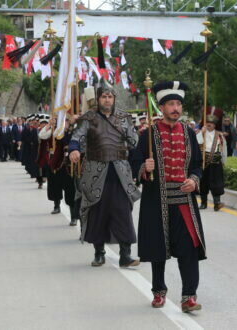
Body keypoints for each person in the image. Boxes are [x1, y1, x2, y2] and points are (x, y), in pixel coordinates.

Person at [132, 81, 206, 313]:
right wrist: (145, 165)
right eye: (171, 104)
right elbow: (133, 162)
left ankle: (189, 297)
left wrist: (194, 180)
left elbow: (197, 165)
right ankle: (158, 291)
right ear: (161, 107)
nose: (176, 108)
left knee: (189, 249)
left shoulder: (190, 134)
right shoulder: (147, 135)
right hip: (156, 199)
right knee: (157, 248)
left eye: (178, 104)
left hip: (184, 201)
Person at [68, 80, 141, 268]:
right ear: (98, 99)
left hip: (119, 173)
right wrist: (74, 150)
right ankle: (99, 253)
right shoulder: (88, 118)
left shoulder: (124, 118)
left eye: (110, 96)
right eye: (104, 96)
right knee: (97, 213)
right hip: (96, 172)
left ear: (114, 99)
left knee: (122, 213)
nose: (107, 100)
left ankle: (126, 255)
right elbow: (76, 138)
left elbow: (135, 143)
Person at [197, 109, 227, 211]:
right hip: (204, 163)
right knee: (203, 183)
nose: (209, 125)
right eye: (208, 123)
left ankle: (217, 203)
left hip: (216, 163)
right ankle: (203, 203)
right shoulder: (201, 133)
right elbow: (197, 143)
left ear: (215, 125)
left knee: (217, 184)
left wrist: (224, 161)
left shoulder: (220, 135)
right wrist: (201, 132)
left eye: (211, 123)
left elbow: (224, 149)